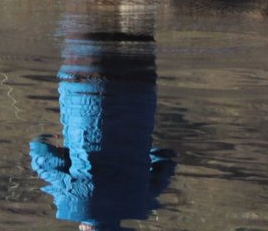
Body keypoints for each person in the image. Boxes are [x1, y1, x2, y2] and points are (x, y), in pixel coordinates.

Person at [29, 29, 177, 228]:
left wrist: (138, 152)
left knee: (139, 23)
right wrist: (53, 142)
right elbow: (39, 151)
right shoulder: (69, 204)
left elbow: (167, 159)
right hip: (84, 84)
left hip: (140, 85)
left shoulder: (141, 204)